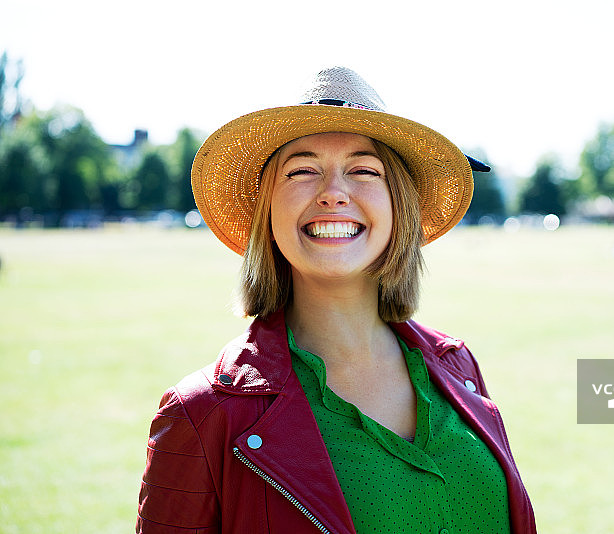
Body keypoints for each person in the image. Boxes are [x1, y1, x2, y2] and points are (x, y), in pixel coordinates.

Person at [136, 67, 536, 534]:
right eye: (303, 170)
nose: (333, 194)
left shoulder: (457, 365)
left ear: (398, 204)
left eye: (364, 170)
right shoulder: (203, 414)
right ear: (268, 209)